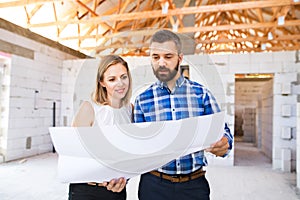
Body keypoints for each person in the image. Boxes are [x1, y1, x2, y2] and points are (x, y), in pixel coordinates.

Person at [133, 30, 233, 200]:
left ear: (180, 58)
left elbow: (225, 134)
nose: (161, 63)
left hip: (193, 186)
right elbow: (136, 146)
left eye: (168, 56)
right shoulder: (142, 100)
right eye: (155, 57)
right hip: (153, 186)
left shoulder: (201, 94)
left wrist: (224, 144)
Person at [69, 55, 133, 200]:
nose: (120, 83)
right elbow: (71, 153)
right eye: (112, 79)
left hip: (117, 190)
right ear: (102, 82)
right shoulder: (89, 108)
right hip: (88, 190)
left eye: (123, 77)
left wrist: (124, 179)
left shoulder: (130, 110)